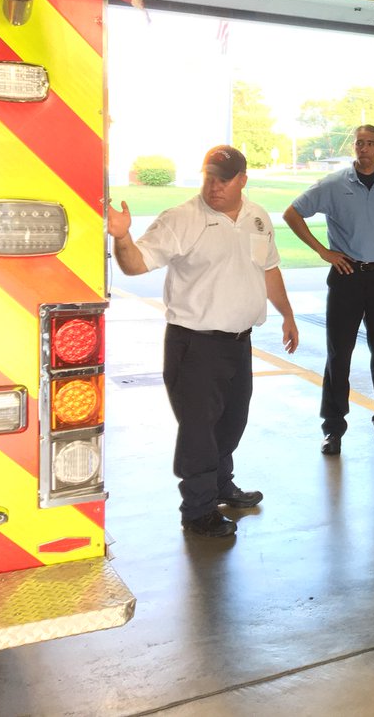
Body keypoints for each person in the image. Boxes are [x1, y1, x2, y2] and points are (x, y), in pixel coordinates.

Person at [108, 145, 298, 538]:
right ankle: (197, 510)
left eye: (224, 179)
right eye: (209, 176)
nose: (214, 186)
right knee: (199, 430)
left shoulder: (257, 218)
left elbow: (269, 269)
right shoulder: (181, 218)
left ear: (242, 180)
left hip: (239, 343)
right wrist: (122, 236)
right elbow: (135, 263)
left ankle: (220, 486)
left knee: (231, 423)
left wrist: (288, 315)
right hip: (195, 345)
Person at [284, 125, 374, 456]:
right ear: (355, 148)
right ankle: (333, 430)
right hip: (346, 276)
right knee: (339, 356)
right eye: (359, 143)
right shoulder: (334, 185)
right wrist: (323, 251)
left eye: (369, 143)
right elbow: (292, 213)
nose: (363, 148)